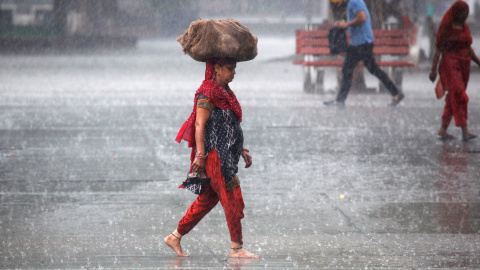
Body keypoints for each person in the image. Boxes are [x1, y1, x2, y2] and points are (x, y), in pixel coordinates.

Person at [164, 58, 260, 259]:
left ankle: (175, 236)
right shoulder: (207, 92)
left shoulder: (226, 93)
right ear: (217, 69)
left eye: (235, 69)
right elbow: (199, 125)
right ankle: (236, 248)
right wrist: (200, 155)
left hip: (228, 155)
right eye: (230, 69)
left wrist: (241, 149)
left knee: (206, 201)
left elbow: (229, 126)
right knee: (231, 197)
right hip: (217, 157)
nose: (234, 73)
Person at [324, 0, 405, 107]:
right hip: (359, 42)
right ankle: (396, 93)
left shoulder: (354, 2)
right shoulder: (354, 2)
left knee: (353, 70)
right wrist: (344, 24)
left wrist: (346, 24)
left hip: (362, 43)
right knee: (354, 70)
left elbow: (362, 18)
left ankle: (396, 93)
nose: (339, 4)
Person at [429, 1, 479, 141]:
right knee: (458, 94)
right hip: (449, 63)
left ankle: (443, 129)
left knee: (453, 97)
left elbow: (469, 49)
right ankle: (464, 130)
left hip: (464, 65)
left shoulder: (465, 28)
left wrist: (478, 62)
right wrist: (433, 70)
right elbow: (438, 50)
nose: (464, 15)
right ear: (455, 12)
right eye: (462, 12)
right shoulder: (445, 27)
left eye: (466, 12)